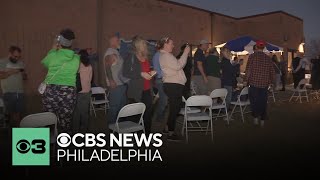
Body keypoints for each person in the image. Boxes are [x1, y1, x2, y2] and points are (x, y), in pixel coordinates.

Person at [42, 28, 80, 133]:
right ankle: (64, 145)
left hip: (51, 92)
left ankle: (48, 145)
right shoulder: (76, 58)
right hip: (69, 92)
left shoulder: (53, 55)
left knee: (49, 120)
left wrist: (53, 48)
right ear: (71, 42)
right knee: (66, 122)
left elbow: (45, 64)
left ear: (60, 41)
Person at [159, 37, 190, 141]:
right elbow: (178, 66)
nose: (173, 46)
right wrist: (185, 53)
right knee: (174, 109)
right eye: (171, 44)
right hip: (173, 85)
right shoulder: (166, 55)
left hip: (174, 84)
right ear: (165, 44)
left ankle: (167, 129)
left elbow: (176, 67)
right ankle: (171, 134)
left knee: (174, 109)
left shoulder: (167, 56)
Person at [123, 36, 155, 134]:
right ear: (138, 45)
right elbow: (125, 73)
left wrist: (151, 73)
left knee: (148, 114)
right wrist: (141, 74)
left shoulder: (146, 57)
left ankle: (147, 135)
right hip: (136, 91)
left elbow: (147, 71)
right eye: (144, 44)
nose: (146, 45)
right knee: (136, 114)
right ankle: (135, 135)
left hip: (147, 89)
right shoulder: (131, 57)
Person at [245, 40, 275, 127]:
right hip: (264, 84)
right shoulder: (268, 58)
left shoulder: (252, 56)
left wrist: (245, 81)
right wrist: (272, 83)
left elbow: (248, 70)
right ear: (263, 47)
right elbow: (272, 72)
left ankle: (255, 118)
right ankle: (262, 119)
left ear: (257, 47)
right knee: (263, 102)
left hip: (254, 83)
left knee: (254, 101)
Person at [103, 35, 129, 124]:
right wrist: (111, 80)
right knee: (114, 107)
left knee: (122, 107)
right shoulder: (110, 52)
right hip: (116, 85)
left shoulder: (116, 52)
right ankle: (112, 129)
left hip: (121, 84)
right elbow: (107, 66)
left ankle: (120, 127)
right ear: (113, 42)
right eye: (118, 41)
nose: (119, 42)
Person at [0, 46, 26, 127]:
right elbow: (1, 76)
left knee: (19, 115)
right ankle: (9, 136)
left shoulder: (20, 63)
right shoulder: (2, 62)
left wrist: (24, 75)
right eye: (15, 56)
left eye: (18, 57)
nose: (17, 58)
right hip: (8, 92)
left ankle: (19, 136)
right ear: (10, 54)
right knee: (9, 116)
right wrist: (13, 71)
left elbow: (24, 77)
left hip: (20, 92)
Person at [72, 50, 92, 133]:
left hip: (79, 92)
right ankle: (85, 129)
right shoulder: (89, 66)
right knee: (85, 112)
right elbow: (90, 79)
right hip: (87, 91)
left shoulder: (77, 66)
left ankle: (76, 131)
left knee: (76, 113)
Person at [152, 47, 167, 122]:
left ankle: (160, 115)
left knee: (162, 99)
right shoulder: (158, 55)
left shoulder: (161, 55)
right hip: (161, 80)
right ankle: (159, 116)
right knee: (164, 100)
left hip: (162, 80)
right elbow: (157, 70)